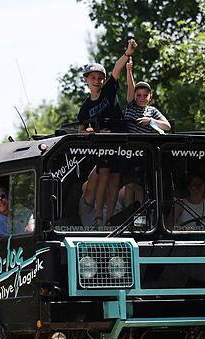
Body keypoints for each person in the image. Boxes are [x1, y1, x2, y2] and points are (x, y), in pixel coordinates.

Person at [77, 40, 137, 225]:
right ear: (86, 80)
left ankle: (109, 218)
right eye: (93, 78)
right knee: (103, 172)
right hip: (102, 145)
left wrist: (127, 54)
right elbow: (81, 129)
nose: (97, 81)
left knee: (115, 179)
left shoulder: (109, 91)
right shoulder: (85, 107)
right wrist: (93, 132)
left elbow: (117, 70)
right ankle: (97, 215)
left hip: (119, 141)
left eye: (99, 78)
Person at [125, 53, 171, 134]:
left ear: (150, 97)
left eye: (145, 95)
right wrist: (129, 71)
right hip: (129, 143)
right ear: (134, 96)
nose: (142, 98)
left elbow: (167, 126)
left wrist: (150, 121)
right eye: (139, 95)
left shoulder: (152, 111)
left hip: (144, 144)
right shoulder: (131, 105)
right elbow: (131, 87)